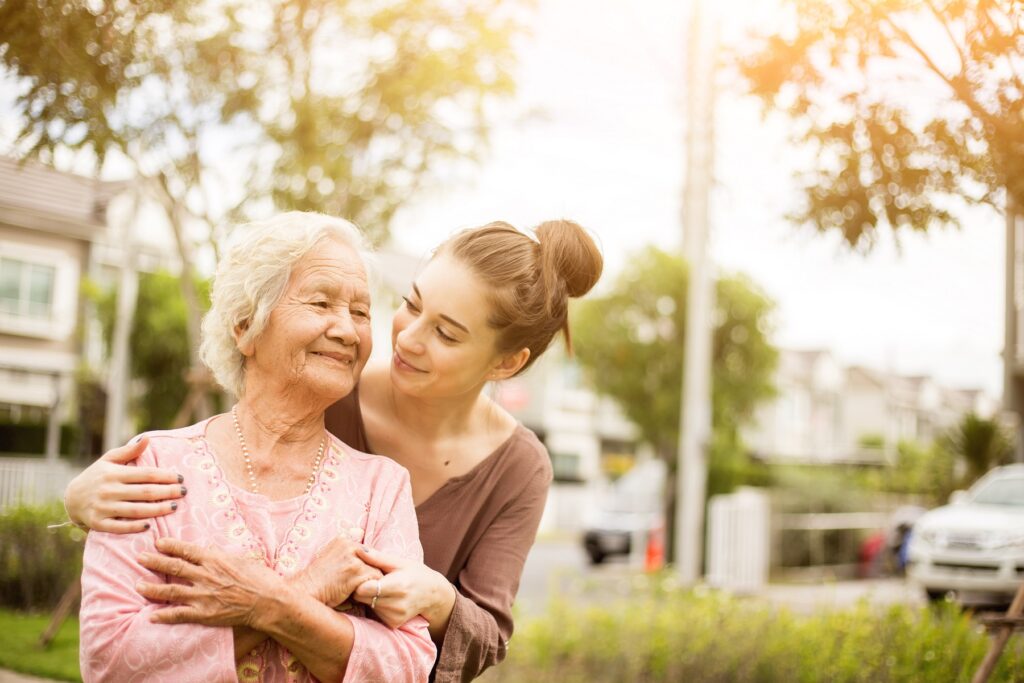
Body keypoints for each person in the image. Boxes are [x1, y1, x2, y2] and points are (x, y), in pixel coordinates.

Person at [68, 218, 604, 681]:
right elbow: (111, 655)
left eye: (446, 333)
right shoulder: (325, 383)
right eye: (410, 305)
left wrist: (437, 600)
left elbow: (450, 647)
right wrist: (77, 502)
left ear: (505, 364)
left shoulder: (497, 469)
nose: (407, 338)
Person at [78, 213, 436, 682]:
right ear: (245, 326)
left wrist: (265, 606)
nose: (348, 330)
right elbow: (109, 661)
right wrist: (303, 593)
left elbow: (408, 666)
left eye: (361, 312)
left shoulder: (382, 489)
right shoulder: (151, 468)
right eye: (322, 302)